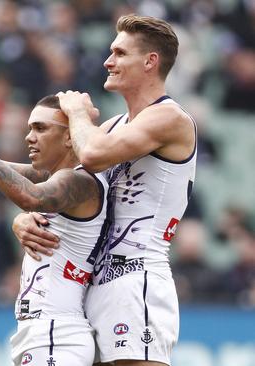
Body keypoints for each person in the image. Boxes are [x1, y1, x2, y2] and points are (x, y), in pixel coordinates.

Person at [14, 14, 196, 366]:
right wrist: (23, 216)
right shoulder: (116, 125)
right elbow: (54, 182)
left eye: (119, 53)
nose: (107, 62)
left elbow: (93, 155)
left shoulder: (170, 117)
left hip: (136, 274)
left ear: (150, 61)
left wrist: (78, 111)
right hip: (95, 282)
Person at [0, 82, 108, 365]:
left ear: (70, 137)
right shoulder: (56, 176)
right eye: (30, 128)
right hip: (46, 332)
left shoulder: (81, 181)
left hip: (57, 333)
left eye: (41, 128)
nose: (29, 137)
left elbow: (30, 197)